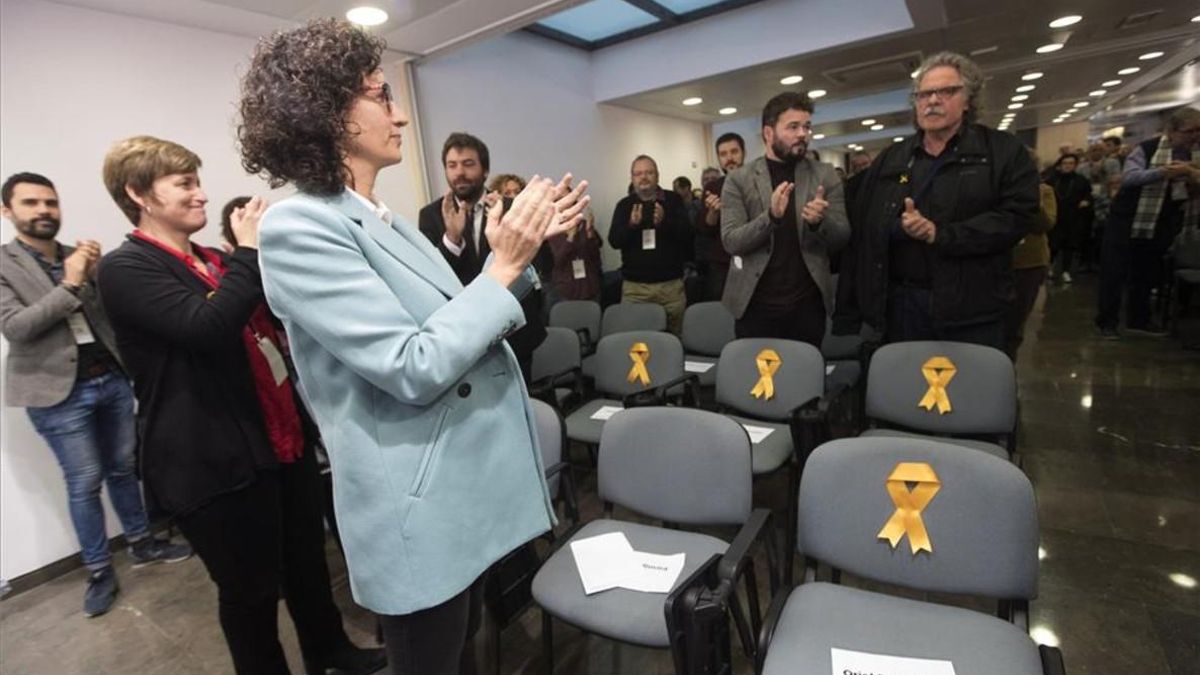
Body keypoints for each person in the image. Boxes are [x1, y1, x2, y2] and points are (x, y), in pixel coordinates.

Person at [237, 19, 588, 674]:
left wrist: (521, 252)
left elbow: (459, 314)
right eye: (380, 96)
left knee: (467, 642)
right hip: (415, 504)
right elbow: (413, 364)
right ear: (330, 113)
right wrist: (503, 268)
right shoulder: (298, 226)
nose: (399, 115)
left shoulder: (381, 217)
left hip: (459, 483)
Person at [96, 136, 384, 675]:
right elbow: (206, 328)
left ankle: (328, 648)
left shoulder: (210, 260)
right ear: (138, 194)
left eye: (197, 180)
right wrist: (249, 253)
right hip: (211, 460)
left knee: (306, 564)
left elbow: (265, 322)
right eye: (184, 184)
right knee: (250, 592)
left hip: (277, 438)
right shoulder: (125, 268)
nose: (201, 194)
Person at [0, 172, 191, 618]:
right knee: (84, 483)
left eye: (51, 202)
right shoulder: (4, 265)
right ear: (8, 211)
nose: (44, 211)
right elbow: (17, 328)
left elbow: (106, 319)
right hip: (57, 393)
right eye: (31, 203)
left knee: (125, 469)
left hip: (110, 378)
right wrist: (69, 284)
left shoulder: (77, 256)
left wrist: (97, 278)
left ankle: (143, 544)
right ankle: (100, 570)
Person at [833, 51, 1038, 349]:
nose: (932, 100)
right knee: (904, 391)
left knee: (967, 391)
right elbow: (861, 224)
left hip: (972, 312)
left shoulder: (1002, 152)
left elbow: (1018, 218)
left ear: (968, 99)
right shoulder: (893, 158)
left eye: (946, 91)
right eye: (924, 94)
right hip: (900, 308)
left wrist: (939, 234)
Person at [720, 92, 849, 346]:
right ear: (769, 133)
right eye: (793, 127)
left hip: (807, 305)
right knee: (757, 383)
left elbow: (843, 236)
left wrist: (819, 223)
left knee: (804, 379)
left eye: (807, 126)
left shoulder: (824, 175)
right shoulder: (738, 179)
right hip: (754, 304)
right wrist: (770, 217)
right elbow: (731, 241)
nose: (803, 133)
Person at [418, 133, 548, 380]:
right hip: (465, 335)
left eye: (468, 164)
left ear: (485, 170)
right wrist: (452, 240)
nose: (460, 173)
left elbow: (536, 267)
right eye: (452, 165)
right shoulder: (431, 215)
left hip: (515, 328)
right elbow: (431, 277)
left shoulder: (512, 208)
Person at [1095, 106, 1200, 339]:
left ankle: (1139, 319)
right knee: (1115, 271)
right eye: (1189, 131)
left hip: (1164, 220)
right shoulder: (1147, 149)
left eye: (1198, 131)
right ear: (1171, 131)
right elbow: (1130, 178)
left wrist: (1191, 174)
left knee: (1146, 273)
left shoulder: (1196, 153)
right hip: (1128, 217)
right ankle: (1107, 322)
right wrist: (1164, 173)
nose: (1194, 136)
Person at [607, 155, 691, 333]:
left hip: (671, 288)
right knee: (636, 343)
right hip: (635, 289)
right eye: (638, 173)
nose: (643, 177)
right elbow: (614, 241)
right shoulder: (624, 205)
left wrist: (664, 222)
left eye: (648, 172)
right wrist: (631, 226)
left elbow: (688, 236)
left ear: (657, 176)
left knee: (674, 341)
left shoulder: (673, 200)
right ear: (632, 178)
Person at [1005, 151, 1058, 359]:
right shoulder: (998, 192)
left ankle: (1008, 368)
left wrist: (1029, 196)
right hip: (998, 263)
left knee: (1015, 322)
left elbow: (1046, 223)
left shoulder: (1044, 191)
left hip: (1029, 264)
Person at [695, 134, 746, 302]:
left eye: (734, 152)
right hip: (722, 264)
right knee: (720, 314)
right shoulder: (712, 188)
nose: (729, 158)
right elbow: (705, 229)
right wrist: (713, 213)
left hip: (754, 261)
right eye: (723, 154)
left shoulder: (759, 182)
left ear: (743, 153)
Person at [1045, 154, 1093, 283]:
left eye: (1071, 163)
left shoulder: (1081, 181)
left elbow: (1088, 196)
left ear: (1075, 165)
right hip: (1056, 216)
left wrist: (1086, 202)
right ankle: (1049, 267)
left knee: (1070, 246)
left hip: (1074, 218)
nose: (1067, 166)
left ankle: (1066, 271)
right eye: (1065, 163)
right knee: (1052, 244)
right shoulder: (1052, 179)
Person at [547, 205, 602, 302]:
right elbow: (557, 260)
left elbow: (596, 257)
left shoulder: (585, 225)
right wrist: (570, 238)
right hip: (567, 290)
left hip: (590, 287)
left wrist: (590, 234)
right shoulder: (554, 230)